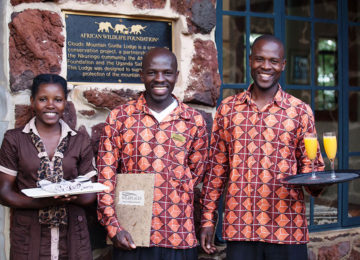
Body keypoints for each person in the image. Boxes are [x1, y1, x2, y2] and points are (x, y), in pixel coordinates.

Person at [200, 35, 325, 260]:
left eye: (273, 61)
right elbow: (215, 171)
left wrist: (318, 183)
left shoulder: (300, 111)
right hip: (241, 229)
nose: (266, 66)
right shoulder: (228, 109)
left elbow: (311, 167)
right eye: (259, 59)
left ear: (283, 65)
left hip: (287, 230)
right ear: (250, 60)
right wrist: (208, 219)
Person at [97, 47, 209, 260]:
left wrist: (168, 190)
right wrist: (113, 227)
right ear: (141, 75)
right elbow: (105, 177)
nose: (160, 79)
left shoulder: (194, 121)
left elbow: (196, 174)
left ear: (176, 76)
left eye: (167, 73)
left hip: (178, 235)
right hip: (131, 236)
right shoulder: (119, 118)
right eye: (152, 72)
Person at [0, 74, 96, 259]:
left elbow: (90, 194)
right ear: (32, 101)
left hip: (73, 236)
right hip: (29, 237)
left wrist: (67, 196)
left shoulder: (79, 140)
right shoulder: (15, 139)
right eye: (43, 99)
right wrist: (40, 202)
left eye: (58, 99)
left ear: (65, 103)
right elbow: (4, 193)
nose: (50, 105)